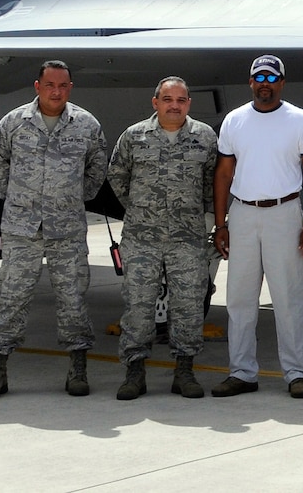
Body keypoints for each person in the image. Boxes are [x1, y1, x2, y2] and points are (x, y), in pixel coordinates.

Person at [0, 59, 108, 400]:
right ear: (38, 86)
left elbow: (97, 165)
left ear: (70, 88)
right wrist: (18, 197)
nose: (56, 91)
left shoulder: (85, 124)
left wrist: (77, 197)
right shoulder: (15, 123)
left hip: (67, 230)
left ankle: (77, 369)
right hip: (23, 229)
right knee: (11, 298)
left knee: (74, 299)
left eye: (63, 86)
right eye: (50, 85)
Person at [211, 55, 303, 399]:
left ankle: (296, 373)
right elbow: (224, 173)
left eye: (271, 77)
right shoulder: (234, 120)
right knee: (240, 299)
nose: (265, 83)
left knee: (288, 298)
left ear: (281, 82)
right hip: (243, 213)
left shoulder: (299, 120)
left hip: (284, 213)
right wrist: (220, 224)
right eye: (258, 77)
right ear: (250, 82)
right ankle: (242, 372)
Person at [108, 76, 218, 400]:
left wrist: (201, 217)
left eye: (181, 100)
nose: (174, 105)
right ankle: (134, 372)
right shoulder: (134, 136)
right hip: (142, 237)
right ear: (155, 102)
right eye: (167, 99)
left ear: (188, 104)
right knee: (138, 306)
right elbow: (117, 176)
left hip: (187, 238)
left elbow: (212, 182)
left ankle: (184, 371)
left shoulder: (204, 137)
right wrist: (141, 209)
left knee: (188, 306)